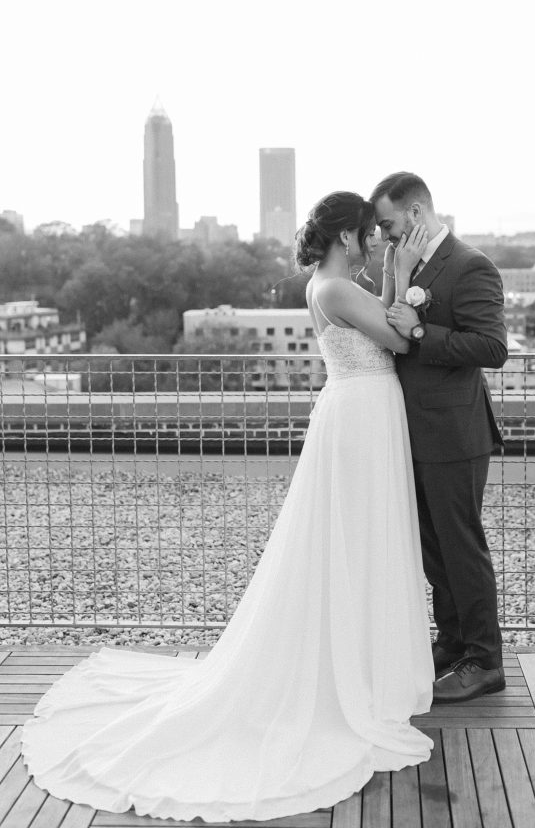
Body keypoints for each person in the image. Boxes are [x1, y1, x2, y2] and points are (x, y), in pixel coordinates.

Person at [21, 191, 435, 824]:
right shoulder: (336, 289)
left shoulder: (330, 284)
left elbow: (389, 322)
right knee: (356, 534)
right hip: (361, 414)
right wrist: (404, 284)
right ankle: (352, 675)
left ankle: (359, 661)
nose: (378, 240)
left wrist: (395, 290)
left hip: (360, 412)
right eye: (370, 234)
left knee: (357, 537)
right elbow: (402, 342)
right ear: (347, 237)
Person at [370, 172, 508, 703]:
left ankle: (484, 660)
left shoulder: (471, 265)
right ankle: (453, 645)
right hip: (415, 433)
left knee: (461, 548)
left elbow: (492, 348)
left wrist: (422, 331)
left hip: (454, 433)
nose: (382, 235)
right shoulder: (408, 266)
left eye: (387, 223)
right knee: (435, 552)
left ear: (416, 214)